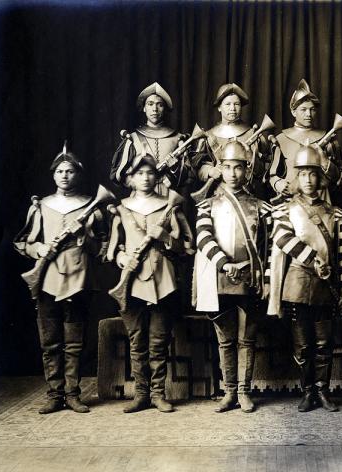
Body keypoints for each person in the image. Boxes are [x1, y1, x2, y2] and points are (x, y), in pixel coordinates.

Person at [14, 144, 107, 414]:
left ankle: (72, 393)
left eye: (70, 171)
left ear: (78, 174)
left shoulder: (91, 207)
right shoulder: (40, 206)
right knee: (50, 341)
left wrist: (85, 238)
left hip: (79, 279)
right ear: (53, 175)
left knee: (75, 341)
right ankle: (54, 394)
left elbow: (103, 249)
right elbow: (22, 243)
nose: (65, 175)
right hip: (47, 280)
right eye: (60, 171)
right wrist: (39, 249)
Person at [107, 154, 194, 413]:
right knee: (137, 342)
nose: (145, 178)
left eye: (150, 173)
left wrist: (166, 236)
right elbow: (112, 249)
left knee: (158, 342)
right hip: (132, 283)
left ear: (157, 177)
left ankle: (158, 394)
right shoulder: (121, 209)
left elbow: (188, 247)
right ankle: (141, 394)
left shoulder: (170, 206)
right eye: (139, 174)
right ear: (130, 179)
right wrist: (122, 257)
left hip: (163, 280)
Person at [268, 144, 342, 412]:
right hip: (297, 283)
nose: (308, 179)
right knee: (303, 345)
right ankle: (307, 392)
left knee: (324, 344)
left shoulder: (334, 213)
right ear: (296, 177)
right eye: (302, 174)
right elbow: (281, 238)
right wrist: (311, 258)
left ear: (320, 178)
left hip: (326, 285)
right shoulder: (284, 210)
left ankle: (323, 391)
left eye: (312, 174)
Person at [193, 139, 272, 413]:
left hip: (249, 278)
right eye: (228, 167)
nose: (234, 173)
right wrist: (225, 264)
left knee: (247, 339)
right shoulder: (206, 205)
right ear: (220, 169)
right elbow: (203, 238)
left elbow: (269, 243)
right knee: (225, 339)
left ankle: (244, 392)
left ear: (246, 171)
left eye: (239, 168)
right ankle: (228, 392)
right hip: (220, 277)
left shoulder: (260, 206)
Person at [111, 82, 193, 196]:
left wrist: (175, 172)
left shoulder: (178, 138)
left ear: (164, 108)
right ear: (144, 108)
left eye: (160, 104)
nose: (155, 109)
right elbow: (118, 175)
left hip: (169, 199)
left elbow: (190, 177)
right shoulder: (133, 138)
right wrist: (137, 184)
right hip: (140, 201)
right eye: (150, 104)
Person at [268, 79, 342, 202]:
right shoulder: (281, 139)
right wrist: (277, 183)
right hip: (290, 200)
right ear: (293, 111)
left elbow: (339, 177)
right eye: (303, 109)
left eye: (312, 109)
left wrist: (325, 162)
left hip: (321, 201)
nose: (308, 114)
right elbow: (271, 173)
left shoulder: (328, 138)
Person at [192, 83, 270, 198]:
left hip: (249, 196)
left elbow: (264, 170)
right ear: (219, 107)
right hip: (217, 196)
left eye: (237, 104)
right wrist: (210, 171)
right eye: (228, 104)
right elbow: (197, 168)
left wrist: (251, 159)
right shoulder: (208, 136)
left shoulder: (253, 134)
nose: (232, 108)